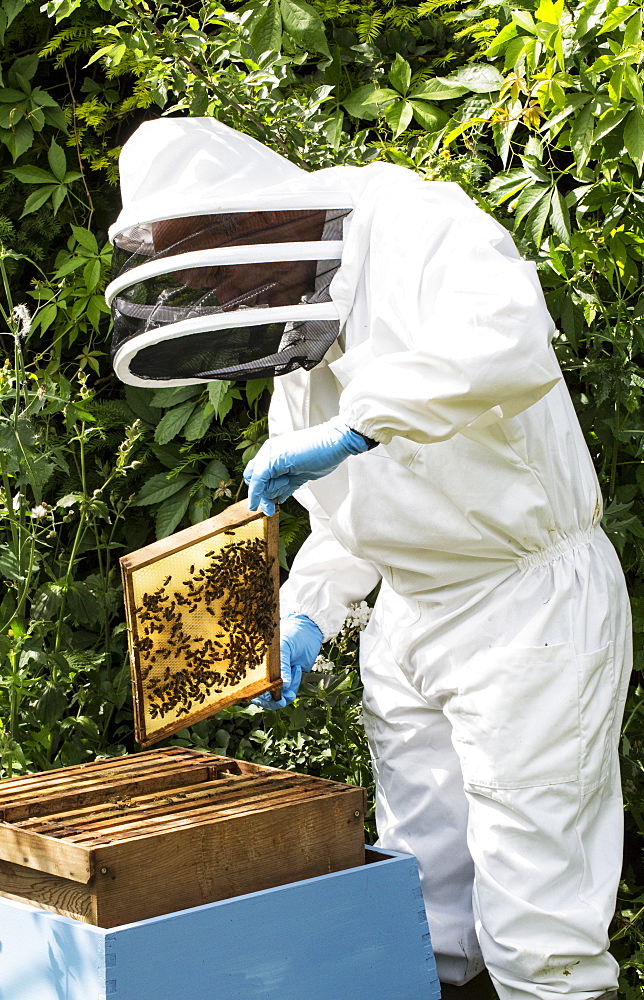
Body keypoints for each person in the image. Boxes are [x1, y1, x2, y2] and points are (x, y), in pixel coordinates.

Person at [107, 117, 631, 1000]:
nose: (225, 300)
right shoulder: (295, 317)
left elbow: (510, 345)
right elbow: (342, 513)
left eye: (215, 273)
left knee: (537, 919)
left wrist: (356, 425)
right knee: (422, 905)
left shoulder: (420, 224)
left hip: (524, 605)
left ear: (247, 222)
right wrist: (308, 608)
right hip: (408, 619)